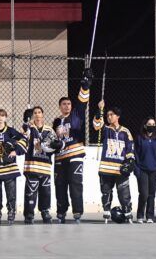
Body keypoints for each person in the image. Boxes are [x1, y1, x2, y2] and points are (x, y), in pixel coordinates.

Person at [52, 68, 93, 223]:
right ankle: (61, 213)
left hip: (75, 156)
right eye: (64, 104)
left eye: (69, 104)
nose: (67, 106)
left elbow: (82, 102)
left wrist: (85, 86)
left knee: (75, 184)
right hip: (60, 159)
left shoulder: (76, 115)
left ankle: (77, 213)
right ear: (59, 106)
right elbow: (52, 140)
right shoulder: (56, 122)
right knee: (60, 185)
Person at [93, 101, 135, 224]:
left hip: (120, 169)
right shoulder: (106, 129)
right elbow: (96, 124)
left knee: (124, 194)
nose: (109, 117)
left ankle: (127, 213)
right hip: (106, 169)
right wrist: (99, 110)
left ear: (118, 116)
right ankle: (106, 212)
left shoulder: (125, 132)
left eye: (111, 115)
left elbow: (130, 148)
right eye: (107, 115)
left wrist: (130, 161)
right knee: (106, 193)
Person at [0, 109, 27, 225]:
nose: (1, 118)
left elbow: (24, 140)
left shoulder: (11, 131)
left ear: (6, 118)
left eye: (3, 116)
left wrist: (16, 151)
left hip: (9, 167)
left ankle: (11, 212)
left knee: (11, 193)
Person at [24, 106, 62, 224]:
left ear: (42, 114)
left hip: (45, 166)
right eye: (35, 113)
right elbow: (23, 137)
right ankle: (29, 214)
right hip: (32, 166)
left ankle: (45, 211)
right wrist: (25, 122)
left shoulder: (50, 130)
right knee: (30, 192)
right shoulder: (29, 128)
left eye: (39, 112)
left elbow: (55, 147)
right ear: (33, 115)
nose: (37, 114)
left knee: (46, 191)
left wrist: (57, 145)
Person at [134, 116, 156, 223]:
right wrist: (137, 170)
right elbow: (136, 154)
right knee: (144, 193)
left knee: (152, 194)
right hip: (142, 170)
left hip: (154, 170)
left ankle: (150, 216)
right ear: (145, 126)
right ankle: (140, 215)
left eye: (153, 124)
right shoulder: (140, 138)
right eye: (149, 124)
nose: (151, 126)